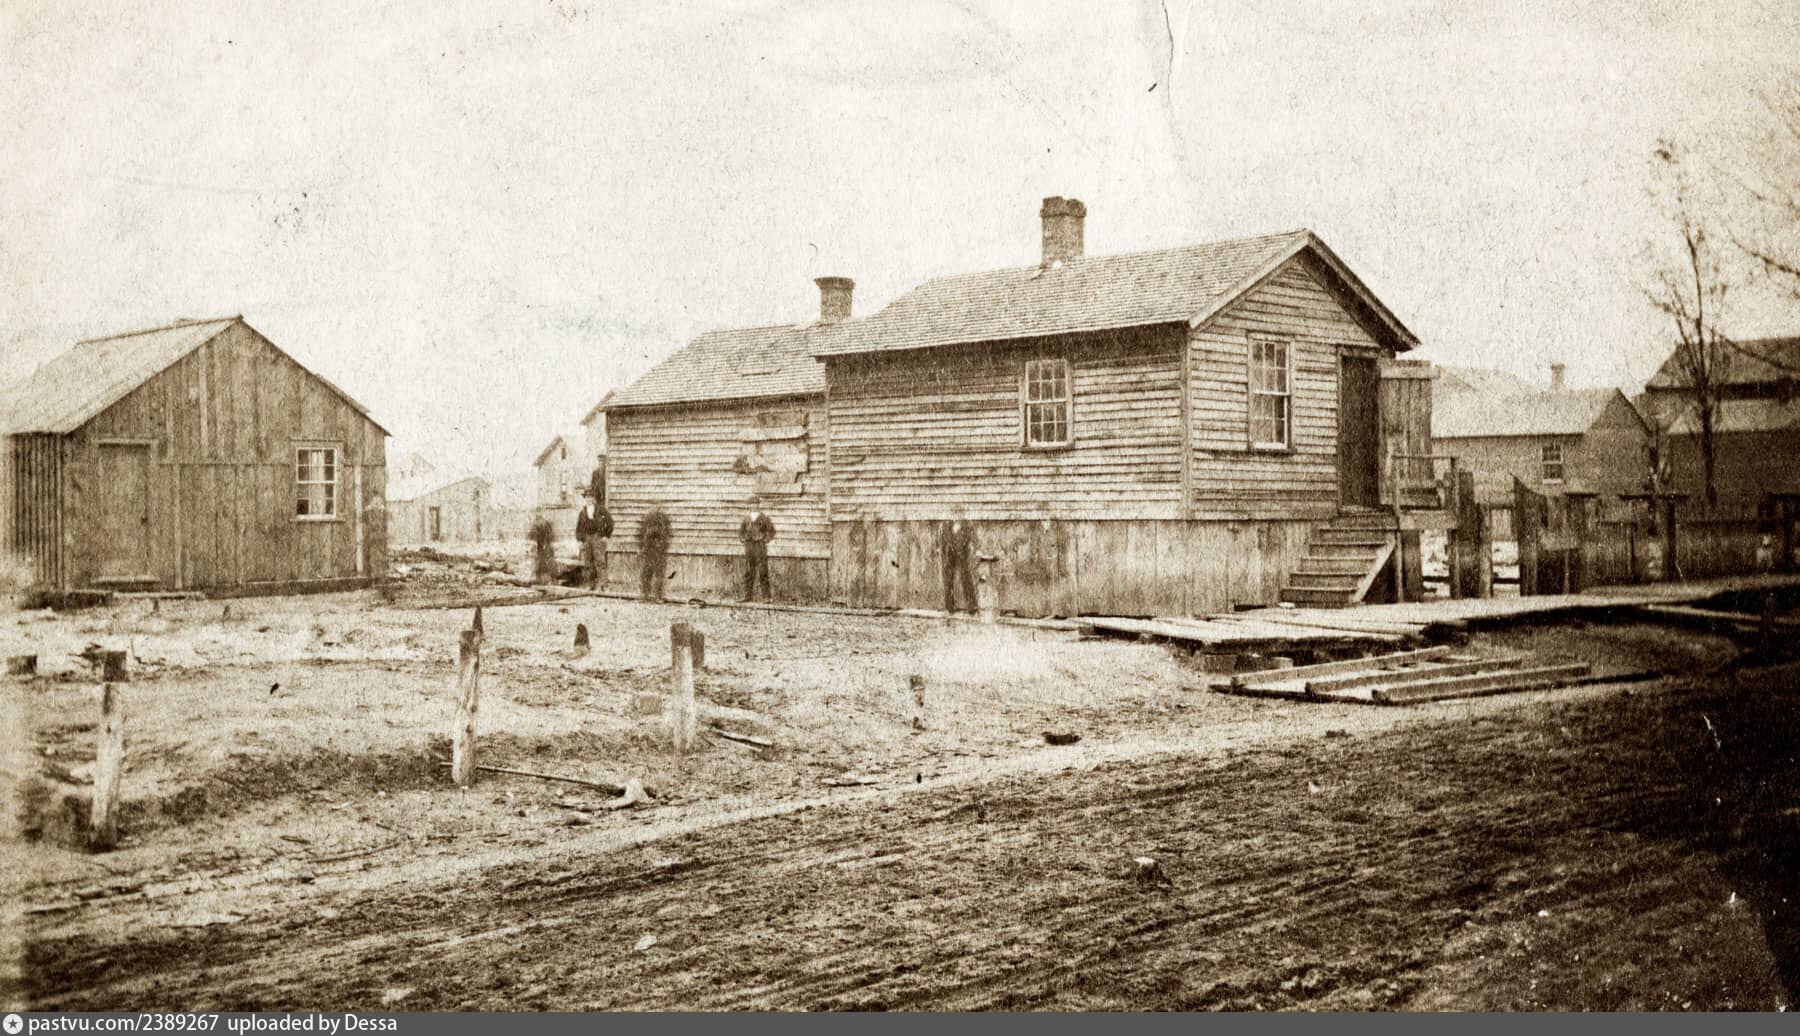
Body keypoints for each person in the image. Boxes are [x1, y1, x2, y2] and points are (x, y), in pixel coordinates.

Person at [940, 506, 979, 615]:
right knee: (948, 580)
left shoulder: (967, 525)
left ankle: (972, 608)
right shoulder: (946, 525)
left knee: (966, 579)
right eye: (954, 513)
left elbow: (973, 538)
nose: (956, 516)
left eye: (959, 513)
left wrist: (974, 548)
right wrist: (943, 550)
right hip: (949, 554)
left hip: (963, 554)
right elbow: (942, 539)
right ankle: (949, 608)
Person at [574, 488, 613, 590]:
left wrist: (606, 536)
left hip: (597, 537)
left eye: (590, 497)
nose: (588, 499)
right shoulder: (582, 512)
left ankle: (604, 585)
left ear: (594, 498)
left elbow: (610, 522)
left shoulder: (600, 510)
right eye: (587, 497)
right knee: (588, 562)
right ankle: (590, 585)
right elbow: (578, 528)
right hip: (587, 538)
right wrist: (580, 540)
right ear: (585, 498)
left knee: (600, 562)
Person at [739, 500, 776, 602]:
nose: (754, 506)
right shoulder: (746, 518)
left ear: (758, 505)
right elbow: (741, 531)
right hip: (749, 546)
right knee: (748, 571)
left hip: (760, 546)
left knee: (762, 570)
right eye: (752, 504)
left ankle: (766, 597)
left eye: (756, 504)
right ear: (750, 505)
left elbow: (772, 531)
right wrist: (743, 538)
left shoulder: (764, 518)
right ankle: (747, 596)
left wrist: (766, 539)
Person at [638, 504, 672, 602]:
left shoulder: (651, 522)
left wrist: (643, 548)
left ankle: (649, 595)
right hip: (654, 552)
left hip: (654, 552)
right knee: (652, 574)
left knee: (651, 575)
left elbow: (642, 536)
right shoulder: (661, 522)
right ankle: (651, 596)